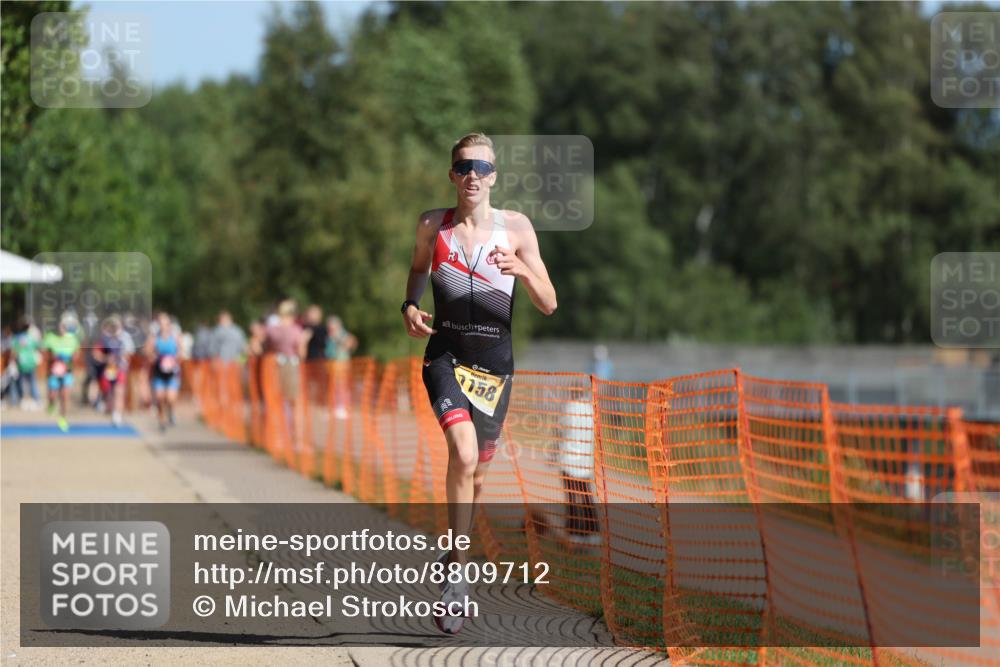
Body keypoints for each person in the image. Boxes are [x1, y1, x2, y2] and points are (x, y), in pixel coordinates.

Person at [401, 132, 557, 633]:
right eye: (464, 166)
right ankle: (458, 579)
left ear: (494, 177)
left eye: (483, 168)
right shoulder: (433, 224)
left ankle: (452, 558)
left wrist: (523, 272)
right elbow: (417, 270)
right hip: (445, 356)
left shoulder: (516, 229)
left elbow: (549, 302)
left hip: (494, 369)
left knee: (479, 477)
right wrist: (408, 305)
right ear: (452, 175)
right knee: (462, 455)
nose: (473, 175)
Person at [559, 388, 600, 544]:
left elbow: (560, 432)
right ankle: (593, 529)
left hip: (568, 460)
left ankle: (574, 531)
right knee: (586, 496)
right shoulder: (590, 409)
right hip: (585, 461)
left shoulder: (568, 408)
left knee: (571, 497)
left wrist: (552, 454)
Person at [266, 299, 307, 449]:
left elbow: (267, 346)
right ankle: (297, 441)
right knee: (295, 405)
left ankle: (278, 438)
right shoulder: (296, 330)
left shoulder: (272, 330)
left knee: (278, 404)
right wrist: (305, 341)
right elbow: (302, 353)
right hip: (291, 366)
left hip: (274, 367)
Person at [43, 314, 82, 432]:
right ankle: (51, 404)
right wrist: (52, 358)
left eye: (64, 327)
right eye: (61, 326)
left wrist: (70, 359)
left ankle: (63, 419)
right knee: (53, 395)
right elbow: (44, 352)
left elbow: (77, 352)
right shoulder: (50, 338)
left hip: (67, 372)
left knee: (65, 396)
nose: (62, 329)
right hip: (54, 372)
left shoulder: (72, 339)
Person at [93, 315, 133, 427]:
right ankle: (109, 407)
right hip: (108, 371)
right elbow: (96, 354)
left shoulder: (125, 339)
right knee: (109, 393)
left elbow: (129, 355)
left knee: (119, 392)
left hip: (120, 369)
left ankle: (117, 415)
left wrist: (121, 358)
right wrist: (106, 359)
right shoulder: (104, 339)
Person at [147, 311, 182, 433]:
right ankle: (162, 420)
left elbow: (180, 353)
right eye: (160, 323)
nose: (163, 326)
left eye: (165, 323)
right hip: (159, 373)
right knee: (160, 397)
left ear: (169, 325)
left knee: (170, 398)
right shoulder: (154, 339)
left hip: (172, 373)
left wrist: (174, 360)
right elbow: (148, 353)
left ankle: (171, 412)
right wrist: (153, 357)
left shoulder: (175, 338)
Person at [325, 315, 357, 419]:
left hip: (341, 363)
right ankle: (334, 407)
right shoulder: (329, 335)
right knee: (333, 387)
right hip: (332, 363)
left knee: (341, 386)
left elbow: (350, 344)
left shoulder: (342, 334)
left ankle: (343, 407)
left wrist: (337, 339)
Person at [11, 317, 41, 410]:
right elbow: (38, 347)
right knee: (32, 382)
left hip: (21, 363)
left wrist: (12, 361)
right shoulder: (31, 338)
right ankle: (36, 400)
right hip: (31, 363)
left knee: (21, 382)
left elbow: (14, 351)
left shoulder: (17, 338)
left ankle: (21, 400)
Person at [302, 305, 328, 405]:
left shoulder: (321, 329)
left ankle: (319, 402)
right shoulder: (304, 327)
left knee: (318, 383)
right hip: (307, 360)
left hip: (318, 360)